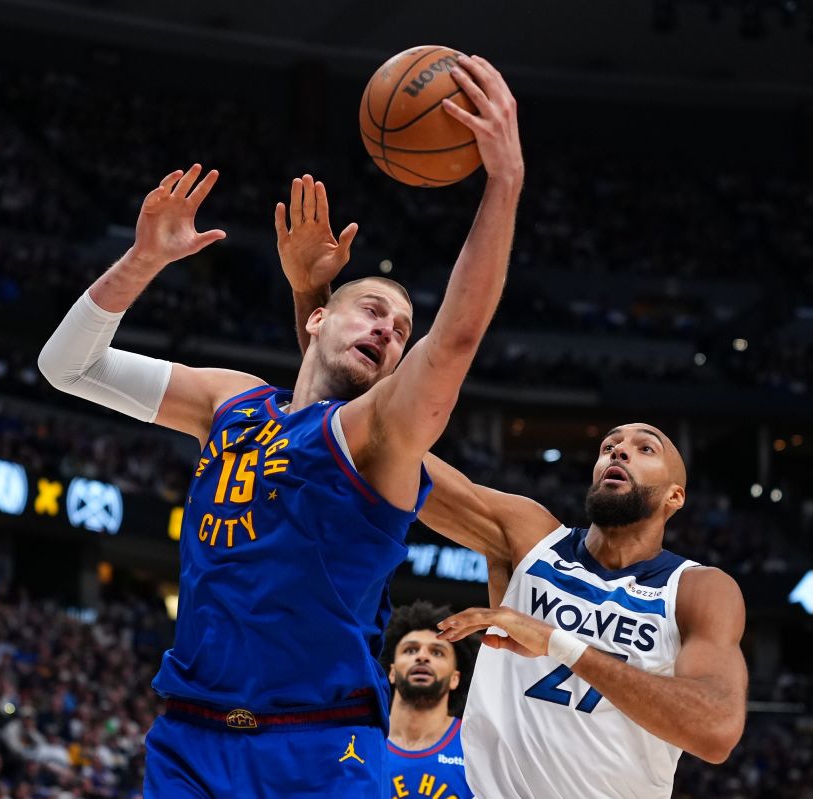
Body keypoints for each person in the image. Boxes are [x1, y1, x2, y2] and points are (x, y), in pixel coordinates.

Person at [38, 53, 522, 798]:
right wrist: (141, 261)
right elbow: (68, 367)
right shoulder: (232, 402)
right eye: (372, 309)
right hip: (190, 740)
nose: (390, 331)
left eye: (400, 328)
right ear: (319, 317)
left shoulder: (378, 436)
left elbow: (455, 338)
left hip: (320, 749)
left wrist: (504, 183)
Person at [285, 326, 745, 793]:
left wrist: (558, 644)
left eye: (645, 448)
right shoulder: (530, 537)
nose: (618, 450)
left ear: (675, 496)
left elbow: (716, 732)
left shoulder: (697, 588)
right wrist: (324, 330)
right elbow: (387, 450)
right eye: (609, 446)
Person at [382, 602, 478, 799]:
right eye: (410, 650)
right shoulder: (360, 742)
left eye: (437, 652)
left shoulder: (476, 747)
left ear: (455, 678)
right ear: (391, 672)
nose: (422, 657)